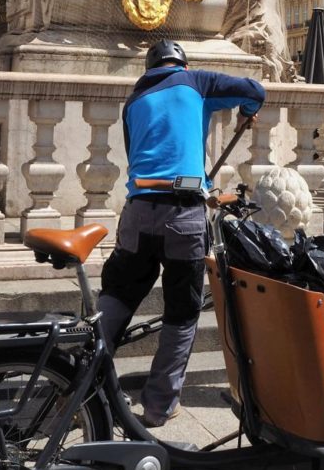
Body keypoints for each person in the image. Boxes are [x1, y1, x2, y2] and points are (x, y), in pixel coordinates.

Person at [98, 39, 266, 427]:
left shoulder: (134, 102)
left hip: (138, 212)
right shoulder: (196, 82)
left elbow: (140, 155)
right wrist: (247, 112)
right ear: (182, 63)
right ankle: (158, 406)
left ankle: (80, 387)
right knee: (181, 313)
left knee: (116, 300)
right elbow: (255, 90)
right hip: (184, 218)